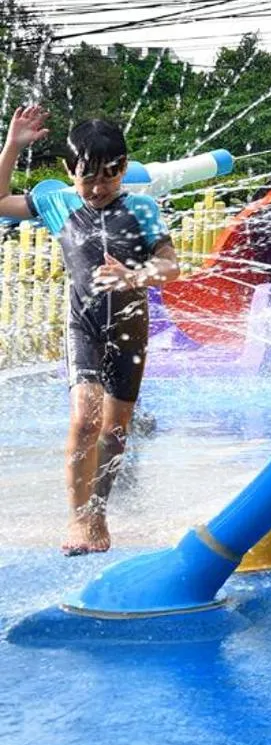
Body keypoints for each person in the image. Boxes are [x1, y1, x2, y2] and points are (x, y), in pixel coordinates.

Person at [0, 108, 178, 554]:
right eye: (88, 179)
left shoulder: (141, 207)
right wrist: (13, 146)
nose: (98, 189)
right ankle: (80, 522)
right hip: (83, 325)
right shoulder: (57, 203)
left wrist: (134, 277)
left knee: (115, 432)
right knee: (84, 421)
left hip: (129, 329)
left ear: (124, 168)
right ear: (68, 171)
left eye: (109, 178)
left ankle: (99, 512)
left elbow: (170, 266)